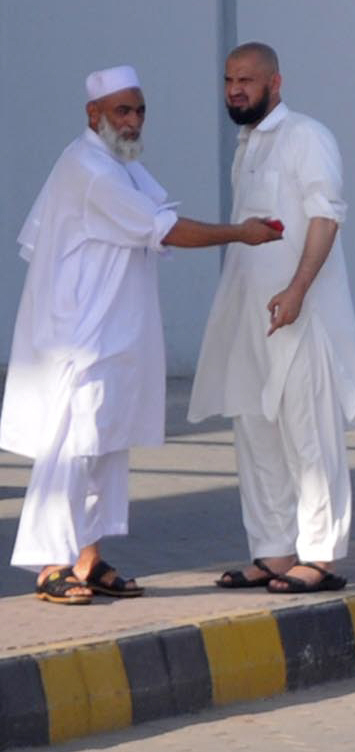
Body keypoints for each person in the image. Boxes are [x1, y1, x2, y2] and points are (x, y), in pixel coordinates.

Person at [1, 66, 281, 605]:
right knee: (70, 448)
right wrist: (242, 233)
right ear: (94, 115)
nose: (133, 122)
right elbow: (167, 229)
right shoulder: (89, 169)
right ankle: (50, 564)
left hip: (112, 333)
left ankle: (88, 557)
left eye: (139, 111)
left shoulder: (117, 166)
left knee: (105, 444)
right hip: (79, 337)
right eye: (122, 112)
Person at [191, 42, 355, 594]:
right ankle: (273, 551)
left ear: (276, 83)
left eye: (246, 80)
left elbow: (326, 215)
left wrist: (297, 288)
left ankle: (319, 556)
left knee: (309, 434)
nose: (235, 90)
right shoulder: (245, 145)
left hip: (302, 312)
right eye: (229, 80)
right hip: (248, 314)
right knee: (255, 429)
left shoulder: (308, 137)